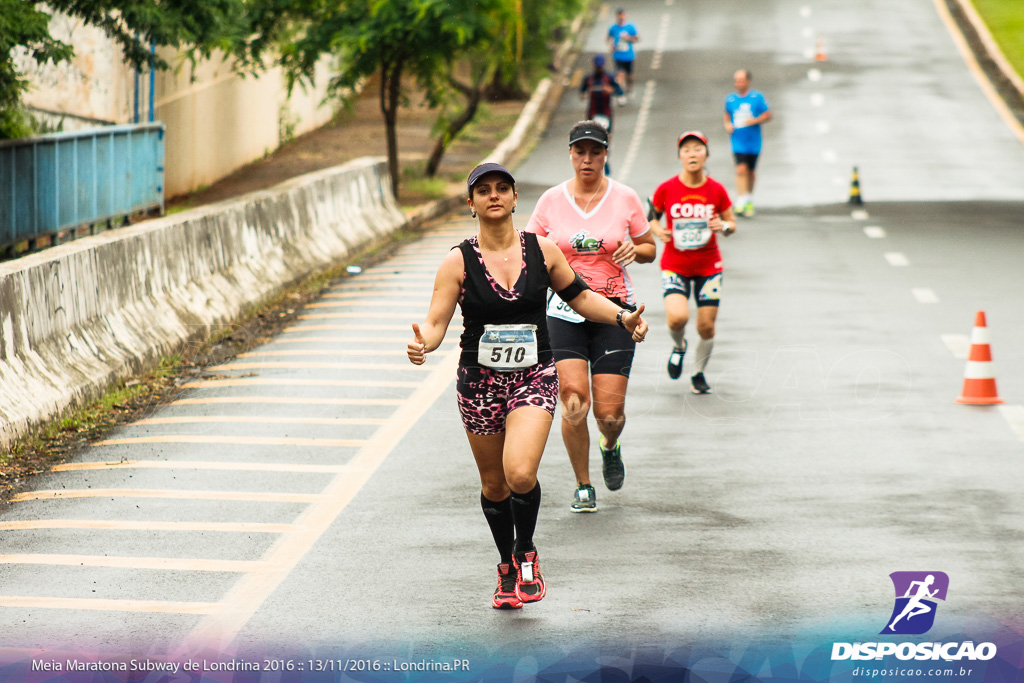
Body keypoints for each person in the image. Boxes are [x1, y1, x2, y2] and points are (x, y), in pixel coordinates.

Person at [408, 163, 648, 610]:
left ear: (516, 198)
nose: (494, 196)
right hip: (478, 384)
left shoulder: (544, 251)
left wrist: (620, 315)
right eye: (484, 190)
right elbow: (437, 322)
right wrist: (424, 342)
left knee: (520, 473)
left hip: (533, 376)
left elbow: (580, 296)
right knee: (495, 485)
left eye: (503, 188)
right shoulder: (457, 260)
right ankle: (504, 565)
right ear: (472, 203)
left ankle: (526, 553)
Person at [526, 121, 656, 514]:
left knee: (609, 415)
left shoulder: (625, 198)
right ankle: (583, 484)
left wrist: (638, 250)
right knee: (574, 402)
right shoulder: (550, 201)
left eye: (595, 152)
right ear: (570, 154)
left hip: (615, 312)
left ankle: (610, 445)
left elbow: (650, 246)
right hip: (563, 311)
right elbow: (529, 249)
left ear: (605, 154)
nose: (587, 159)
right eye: (580, 152)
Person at [649, 132, 735, 394]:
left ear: (706, 155)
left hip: (709, 267)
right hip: (675, 264)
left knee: (706, 326)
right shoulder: (667, 188)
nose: (692, 154)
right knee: (677, 319)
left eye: (698, 149)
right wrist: (657, 229)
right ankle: (679, 346)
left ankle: (698, 373)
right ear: (680, 157)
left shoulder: (716, 190)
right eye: (686, 150)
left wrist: (724, 225)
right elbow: (652, 217)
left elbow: (731, 224)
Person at [723, 69, 771, 217]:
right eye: (736, 80)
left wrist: (755, 121)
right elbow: (726, 116)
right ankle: (741, 199)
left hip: (754, 142)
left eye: (741, 80)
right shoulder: (730, 99)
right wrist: (727, 125)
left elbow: (768, 115)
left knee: (750, 172)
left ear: (748, 81)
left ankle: (749, 198)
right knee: (740, 169)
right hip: (738, 141)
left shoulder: (757, 98)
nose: (738, 83)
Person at [580, 55, 623, 174]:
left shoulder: (608, 78)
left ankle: (606, 161)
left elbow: (619, 91)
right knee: (592, 140)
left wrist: (610, 90)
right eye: (597, 66)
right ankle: (593, 163)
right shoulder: (589, 79)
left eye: (600, 66)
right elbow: (582, 92)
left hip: (606, 113)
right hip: (592, 114)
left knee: (606, 139)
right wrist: (584, 94)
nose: (599, 68)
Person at [607, 8, 639, 102]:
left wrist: (628, 38)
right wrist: (611, 46)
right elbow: (608, 38)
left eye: (623, 16)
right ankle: (621, 94)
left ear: (625, 16)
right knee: (619, 75)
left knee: (630, 76)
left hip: (629, 55)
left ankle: (630, 88)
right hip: (618, 56)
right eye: (619, 17)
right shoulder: (613, 28)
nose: (621, 18)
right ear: (617, 17)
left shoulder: (630, 27)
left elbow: (637, 39)